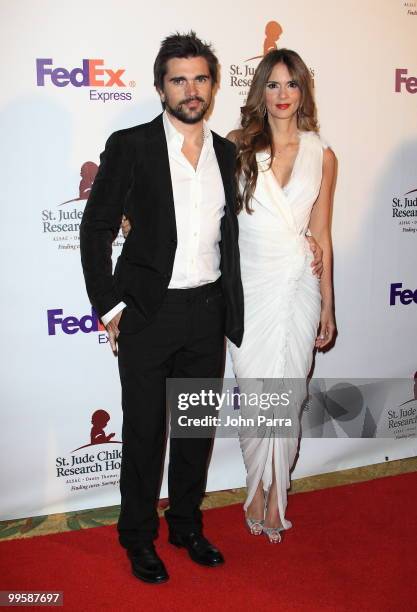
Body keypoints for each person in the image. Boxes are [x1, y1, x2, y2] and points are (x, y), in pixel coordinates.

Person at [80, 32, 245, 584]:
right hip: (148, 314)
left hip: (207, 312)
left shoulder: (227, 153)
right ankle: (137, 538)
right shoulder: (130, 145)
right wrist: (109, 307)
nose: (191, 89)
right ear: (159, 87)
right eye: (179, 79)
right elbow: (97, 227)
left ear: (213, 85)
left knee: (195, 430)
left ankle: (186, 525)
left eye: (200, 78)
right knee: (146, 434)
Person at [227, 49, 336, 543]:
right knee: (256, 394)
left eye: (292, 84)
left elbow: (323, 233)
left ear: (303, 91)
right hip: (249, 287)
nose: (283, 95)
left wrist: (329, 305)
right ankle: (256, 484)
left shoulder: (323, 154)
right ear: (260, 93)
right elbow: (212, 220)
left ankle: (275, 498)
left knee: (286, 395)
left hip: (298, 285)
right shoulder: (236, 146)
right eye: (273, 85)